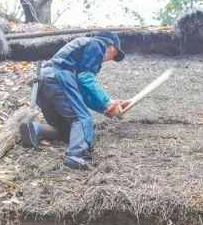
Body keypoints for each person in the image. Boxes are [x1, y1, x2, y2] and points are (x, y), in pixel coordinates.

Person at [19, 30, 130, 170]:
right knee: (82, 119)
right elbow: (86, 79)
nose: (112, 57)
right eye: (114, 52)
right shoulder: (97, 44)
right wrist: (109, 102)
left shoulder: (79, 56)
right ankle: (74, 156)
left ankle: (35, 128)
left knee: (69, 130)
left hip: (45, 83)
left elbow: (81, 94)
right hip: (58, 78)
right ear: (109, 43)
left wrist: (105, 109)